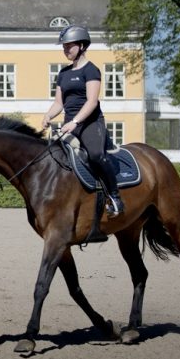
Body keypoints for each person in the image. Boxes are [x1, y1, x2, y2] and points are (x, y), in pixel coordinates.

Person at [41, 25, 125, 217]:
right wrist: (48, 115)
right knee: (52, 158)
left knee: (96, 155)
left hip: (90, 123)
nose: (65, 50)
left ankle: (115, 197)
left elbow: (92, 101)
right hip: (69, 124)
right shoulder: (63, 73)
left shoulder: (91, 70)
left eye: (69, 46)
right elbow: (58, 103)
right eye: (64, 47)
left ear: (81, 45)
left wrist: (75, 122)